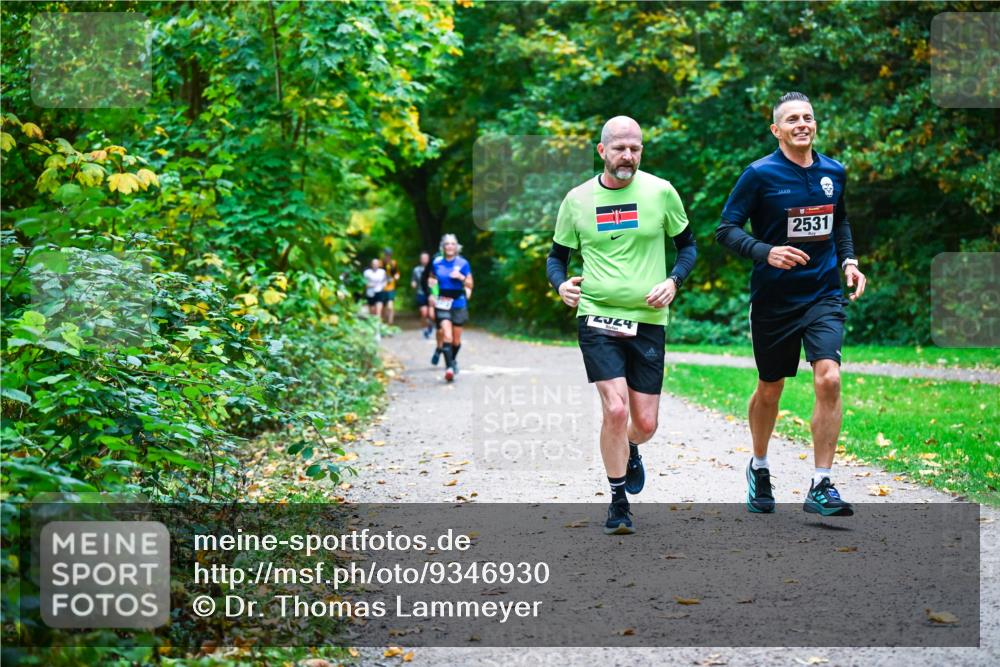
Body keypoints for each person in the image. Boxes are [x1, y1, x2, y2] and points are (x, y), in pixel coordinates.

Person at [715, 91, 867, 517]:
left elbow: (840, 221)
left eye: (808, 117)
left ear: (815, 125)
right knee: (770, 388)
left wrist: (850, 260)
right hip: (774, 300)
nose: (802, 123)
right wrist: (767, 252)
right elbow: (726, 229)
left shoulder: (833, 172)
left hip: (822, 294)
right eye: (793, 119)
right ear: (776, 129)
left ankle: (821, 483)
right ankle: (759, 466)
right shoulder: (759, 174)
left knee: (829, 379)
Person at [547, 116, 697, 535]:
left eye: (634, 148)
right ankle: (617, 501)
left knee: (644, 423)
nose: (627, 156)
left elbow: (688, 247)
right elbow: (555, 258)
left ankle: (632, 447)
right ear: (602, 151)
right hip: (596, 314)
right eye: (619, 148)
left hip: (648, 319)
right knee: (614, 409)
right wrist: (561, 286)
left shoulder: (661, 192)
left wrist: (673, 281)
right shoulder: (577, 200)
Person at [427, 234, 473, 383]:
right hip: (443, 302)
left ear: (457, 247)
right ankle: (449, 368)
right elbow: (432, 280)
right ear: (443, 246)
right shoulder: (437, 263)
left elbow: (470, 285)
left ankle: (452, 360)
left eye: (453, 244)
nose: (450, 246)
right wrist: (432, 294)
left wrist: (461, 277)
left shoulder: (463, 263)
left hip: (458, 303)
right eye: (447, 244)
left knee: (456, 341)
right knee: (447, 335)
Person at [411, 252, 434, 338]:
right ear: (420, 260)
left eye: (426, 258)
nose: (424, 260)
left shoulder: (433, 268)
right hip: (421, 293)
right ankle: (425, 328)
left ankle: (430, 326)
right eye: (422, 258)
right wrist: (413, 284)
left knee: (432, 314)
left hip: (432, 294)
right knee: (424, 313)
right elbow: (413, 280)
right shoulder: (416, 270)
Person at [381, 248, 401, 325]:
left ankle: (390, 323)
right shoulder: (380, 263)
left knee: (390, 306)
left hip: (391, 287)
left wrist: (396, 276)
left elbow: (397, 273)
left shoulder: (393, 263)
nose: (388, 257)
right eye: (386, 255)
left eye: (389, 255)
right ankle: (384, 323)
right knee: (383, 308)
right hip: (382, 287)